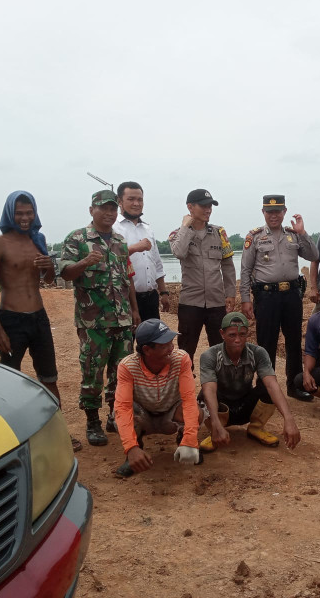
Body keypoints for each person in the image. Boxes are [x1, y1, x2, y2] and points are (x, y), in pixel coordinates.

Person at [0, 192, 81, 451]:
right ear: (9, 214)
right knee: (9, 379)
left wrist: (48, 265)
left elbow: (48, 280)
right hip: (11, 318)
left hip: (39, 318)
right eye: (19, 213)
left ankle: (59, 433)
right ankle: (11, 439)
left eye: (29, 213)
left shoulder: (38, 240)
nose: (25, 218)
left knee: (49, 377)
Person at [59, 189, 140, 447]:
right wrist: (84, 262)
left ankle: (114, 416)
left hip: (122, 320)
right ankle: (92, 421)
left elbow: (127, 279)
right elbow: (65, 273)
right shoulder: (77, 239)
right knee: (92, 372)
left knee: (121, 372)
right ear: (91, 210)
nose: (109, 213)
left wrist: (135, 311)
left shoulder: (119, 241)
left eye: (112, 208)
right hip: (93, 323)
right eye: (103, 208)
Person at [239, 195, 319, 400]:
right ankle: (265, 389)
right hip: (266, 296)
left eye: (277, 211)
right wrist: (245, 299)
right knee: (267, 343)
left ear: (284, 212)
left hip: (292, 295)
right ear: (263, 212)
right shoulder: (254, 237)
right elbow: (245, 270)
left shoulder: (294, 235)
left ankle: (294, 385)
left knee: (293, 341)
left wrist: (303, 232)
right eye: (269, 211)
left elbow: (313, 255)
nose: (273, 215)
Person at [197, 312, 301, 453]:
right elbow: (209, 390)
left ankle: (256, 427)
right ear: (222, 334)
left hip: (245, 406)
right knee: (204, 395)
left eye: (242, 335)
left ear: (248, 334)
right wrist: (215, 423)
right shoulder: (210, 355)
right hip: (221, 408)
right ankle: (216, 430)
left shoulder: (258, 353)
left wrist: (289, 419)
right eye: (232, 335)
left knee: (267, 388)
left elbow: (272, 385)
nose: (238, 340)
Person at [113, 319, 203, 477]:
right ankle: (135, 453)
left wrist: (190, 439)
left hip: (170, 414)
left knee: (196, 411)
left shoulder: (181, 359)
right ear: (147, 350)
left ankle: (183, 440)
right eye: (164, 345)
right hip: (144, 416)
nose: (171, 348)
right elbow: (123, 407)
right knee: (122, 414)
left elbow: (189, 400)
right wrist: (131, 448)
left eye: (171, 342)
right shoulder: (127, 366)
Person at [168, 189, 236, 365]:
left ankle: (220, 381)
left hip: (216, 302)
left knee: (220, 349)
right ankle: (185, 380)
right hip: (190, 303)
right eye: (204, 206)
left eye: (210, 206)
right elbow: (179, 252)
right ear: (190, 207)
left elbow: (228, 266)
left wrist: (230, 293)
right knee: (186, 350)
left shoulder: (219, 233)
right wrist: (186, 227)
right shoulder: (178, 234)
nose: (208, 210)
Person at [112, 181, 171, 322]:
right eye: (131, 199)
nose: (136, 204)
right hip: (125, 299)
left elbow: (156, 263)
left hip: (151, 298)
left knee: (152, 336)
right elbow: (109, 258)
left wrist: (163, 292)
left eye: (140, 200)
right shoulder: (113, 228)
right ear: (119, 201)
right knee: (129, 335)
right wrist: (134, 248)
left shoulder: (147, 229)